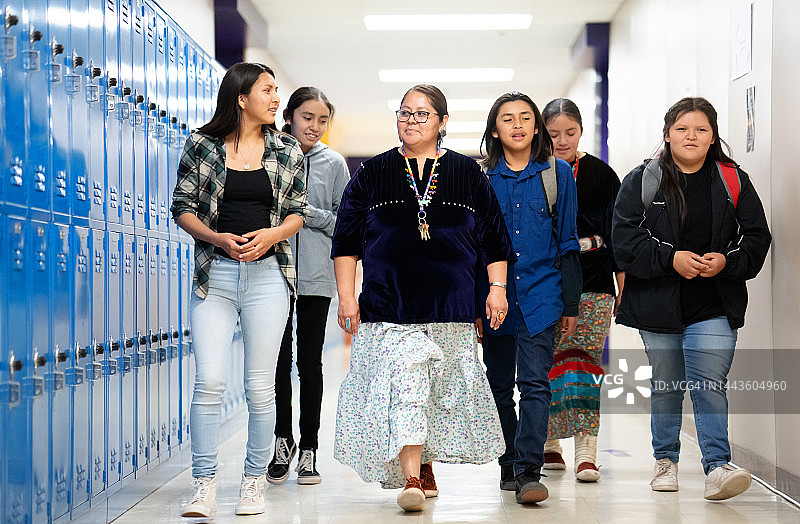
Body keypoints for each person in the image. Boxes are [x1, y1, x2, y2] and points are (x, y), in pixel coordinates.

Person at [331, 84, 514, 512]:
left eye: (421, 114)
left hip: (451, 309)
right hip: (389, 307)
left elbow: (494, 241)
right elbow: (346, 241)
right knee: (406, 387)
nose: (410, 121)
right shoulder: (373, 173)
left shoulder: (468, 175)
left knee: (436, 392)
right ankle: (412, 475)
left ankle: (424, 461)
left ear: (442, 123)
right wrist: (346, 297)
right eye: (404, 113)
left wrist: (497, 291)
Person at [612, 97, 771, 500]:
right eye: (682, 128)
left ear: (713, 136)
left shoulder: (733, 179)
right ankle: (665, 460)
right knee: (667, 384)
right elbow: (625, 242)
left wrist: (727, 261)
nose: (691, 136)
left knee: (708, 382)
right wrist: (671, 259)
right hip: (657, 304)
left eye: (701, 129)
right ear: (667, 134)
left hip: (715, 301)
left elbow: (756, 237)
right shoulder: (643, 180)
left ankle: (717, 466)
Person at [171, 62, 307, 517]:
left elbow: (297, 213)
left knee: (259, 387)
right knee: (209, 380)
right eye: (268, 91)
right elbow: (183, 206)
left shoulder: (288, 150)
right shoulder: (202, 144)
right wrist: (216, 238)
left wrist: (271, 236)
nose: (276, 99)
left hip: (268, 277)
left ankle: (253, 482)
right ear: (241, 97)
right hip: (217, 277)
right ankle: (204, 483)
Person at [477, 91, 582, 504]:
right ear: (495, 130)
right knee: (499, 385)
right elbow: (473, 248)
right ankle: (509, 460)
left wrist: (570, 304)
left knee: (535, 384)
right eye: (507, 119)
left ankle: (528, 470)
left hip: (542, 296)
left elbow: (568, 243)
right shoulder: (481, 179)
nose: (517, 125)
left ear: (536, 127)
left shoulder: (557, 174)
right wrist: (474, 304)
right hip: (494, 299)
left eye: (525, 117)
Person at [268, 87, 349, 486]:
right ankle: (283, 441)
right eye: (307, 118)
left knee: (310, 363)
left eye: (322, 120)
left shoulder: (334, 163)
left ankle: (310, 448)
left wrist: (304, 212)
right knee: (278, 362)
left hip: (317, 277)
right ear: (290, 116)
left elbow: (345, 224)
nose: (314, 127)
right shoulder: (270, 153)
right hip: (273, 274)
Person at [540, 98, 623, 482]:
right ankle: (547, 443)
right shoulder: (534, 170)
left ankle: (587, 452)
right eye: (553, 134)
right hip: (545, 283)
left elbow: (618, 236)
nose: (562, 140)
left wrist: (623, 288)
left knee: (585, 364)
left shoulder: (602, 174)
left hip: (593, 282)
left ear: (581, 132)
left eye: (569, 133)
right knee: (546, 365)